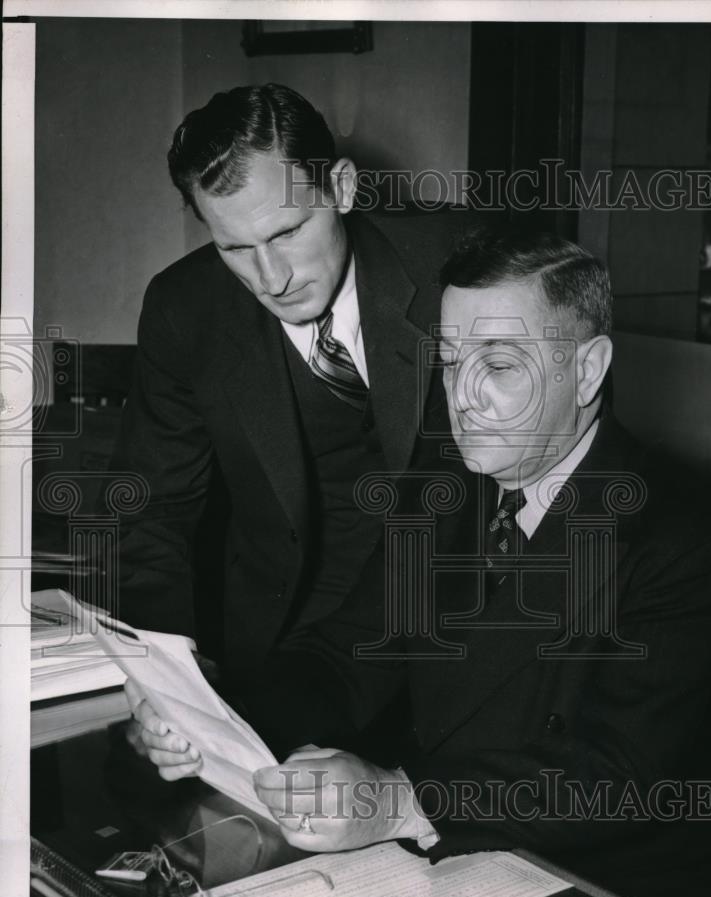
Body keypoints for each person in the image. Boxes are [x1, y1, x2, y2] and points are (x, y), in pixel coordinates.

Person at [128, 230, 711, 862]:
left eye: (501, 365)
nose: (463, 399)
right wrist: (213, 719)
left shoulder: (688, 539)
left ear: (586, 370)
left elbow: (614, 780)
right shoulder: (442, 485)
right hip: (440, 861)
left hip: (593, 891)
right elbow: (346, 656)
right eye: (451, 362)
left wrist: (400, 800)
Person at [108, 82, 466, 685]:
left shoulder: (456, 270)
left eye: (287, 233)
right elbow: (152, 511)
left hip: (457, 626)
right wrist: (168, 676)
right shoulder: (184, 310)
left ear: (343, 189)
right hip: (281, 646)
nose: (272, 279)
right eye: (235, 248)